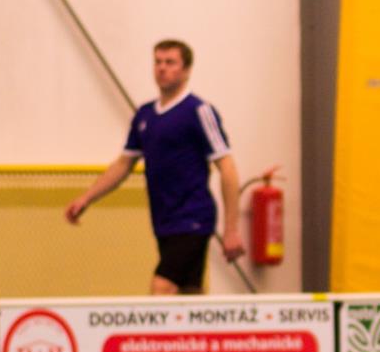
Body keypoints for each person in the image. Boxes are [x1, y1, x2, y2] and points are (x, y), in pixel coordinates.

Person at [65, 39, 245, 294]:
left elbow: (227, 167)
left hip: (192, 217)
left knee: (162, 288)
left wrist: (231, 229)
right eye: (158, 62)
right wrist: (86, 198)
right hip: (163, 220)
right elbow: (124, 163)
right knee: (189, 294)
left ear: (186, 70)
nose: (162, 68)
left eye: (170, 63)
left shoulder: (198, 111)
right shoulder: (145, 115)